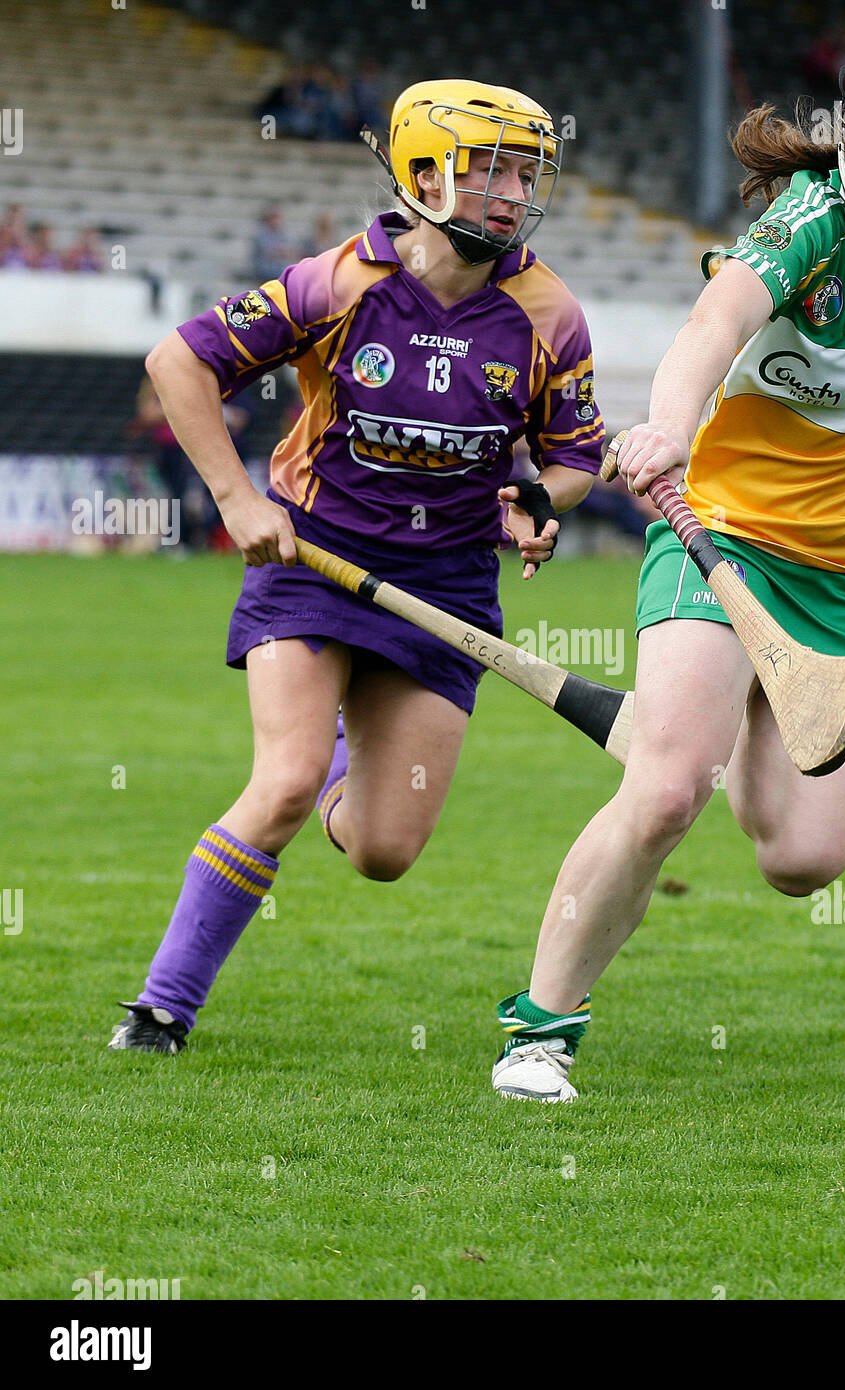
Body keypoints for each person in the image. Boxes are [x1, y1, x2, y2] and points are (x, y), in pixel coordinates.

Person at [490, 46, 845, 1103]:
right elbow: (712, 326)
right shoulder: (807, 227)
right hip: (725, 540)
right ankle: (541, 1028)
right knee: (668, 790)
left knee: (801, 858)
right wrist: (668, 427)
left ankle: (699, 714)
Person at [109, 79, 603, 1052]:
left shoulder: (549, 313)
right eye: (488, 169)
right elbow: (180, 362)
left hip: (448, 589)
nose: (511, 192)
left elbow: (576, 456)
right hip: (314, 559)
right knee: (284, 781)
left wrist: (542, 504)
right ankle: (162, 1009)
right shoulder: (341, 282)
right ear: (422, 176)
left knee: (384, 851)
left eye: (524, 171)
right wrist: (238, 500)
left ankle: (350, 756)